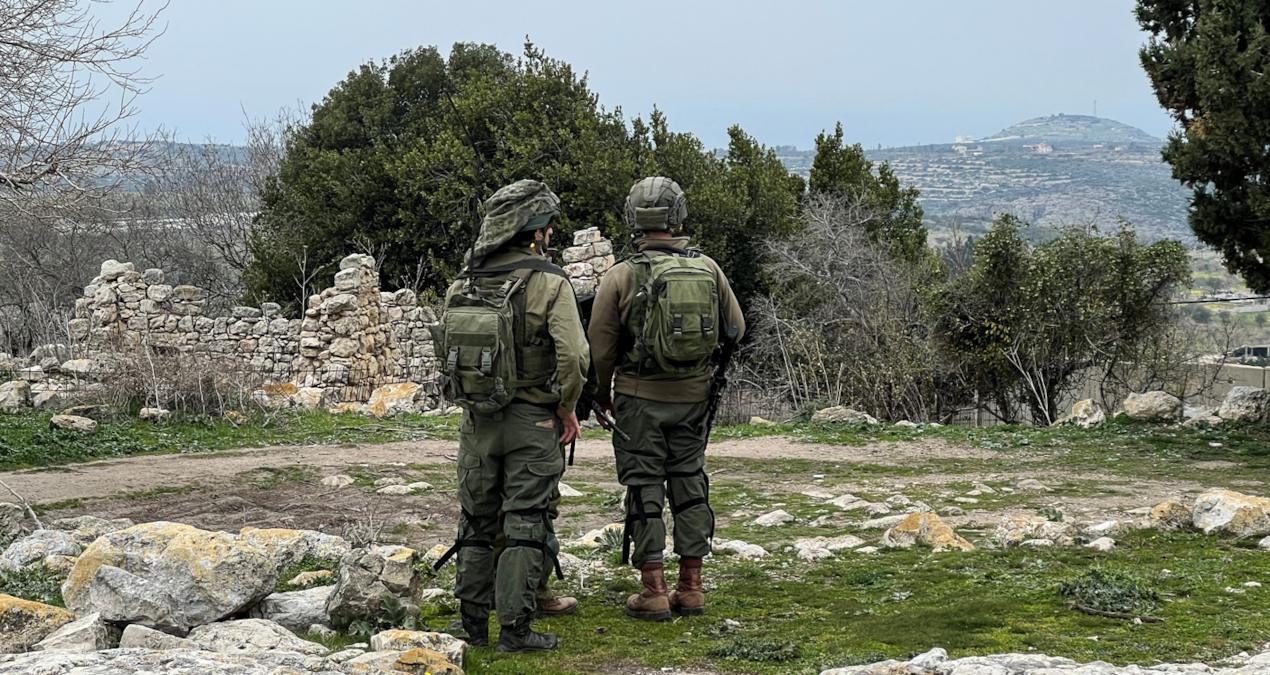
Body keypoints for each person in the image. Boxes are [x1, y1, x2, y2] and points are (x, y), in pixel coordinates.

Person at [432, 179, 588, 652]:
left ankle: (472, 625)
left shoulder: (466, 280)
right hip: (532, 421)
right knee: (525, 520)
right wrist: (565, 407)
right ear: (536, 229)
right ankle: (516, 631)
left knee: (476, 520)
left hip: (477, 422)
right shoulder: (549, 282)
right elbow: (575, 358)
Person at [587, 176, 745, 621]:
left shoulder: (620, 275)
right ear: (678, 217)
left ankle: (653, 590)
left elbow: (600, 348)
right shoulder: (708, 269)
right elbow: (737, 329)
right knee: (690, 484)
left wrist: (600, 397)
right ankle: (691, 587)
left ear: (634, 219)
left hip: (638, 400)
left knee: (644, 488)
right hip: (694, 400)